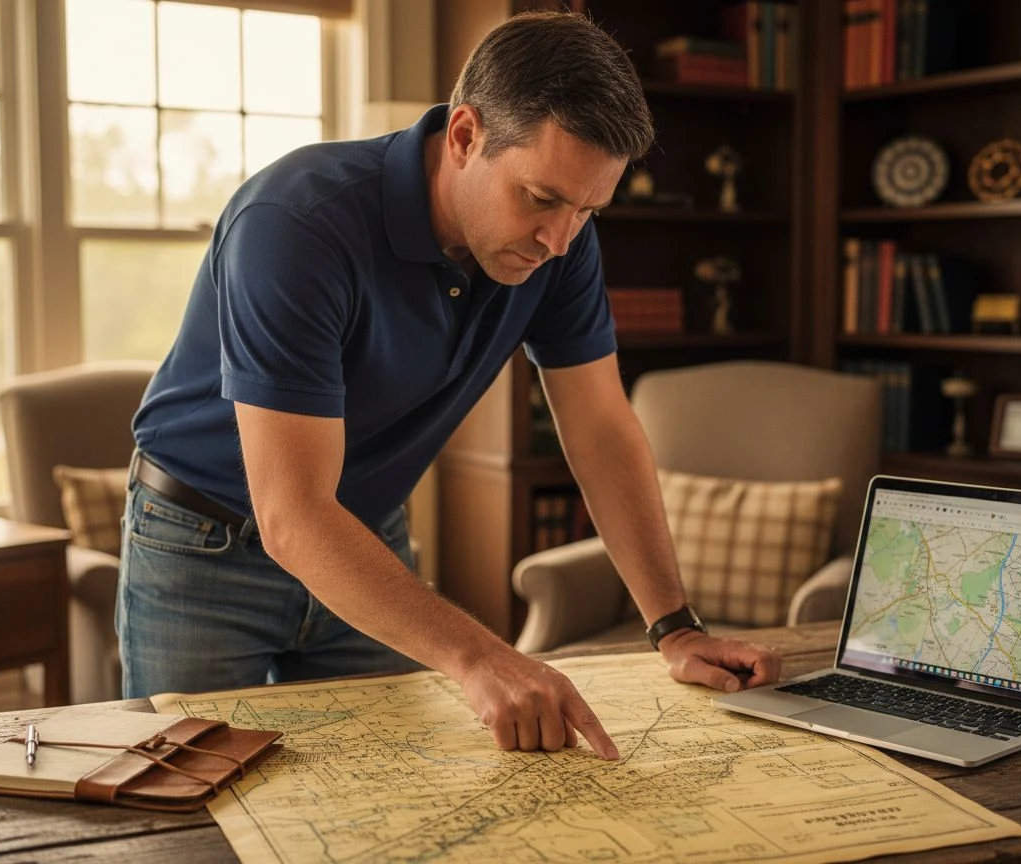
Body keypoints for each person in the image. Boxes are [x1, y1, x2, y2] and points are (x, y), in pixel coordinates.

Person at [118, 10, 782, 760]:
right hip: (205, 543)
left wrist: (675, 628)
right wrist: (480, 655)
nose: (559, 240)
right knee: (194, 805)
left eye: (587, 209)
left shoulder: (559, 241)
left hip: (366, 537)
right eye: (540, 198)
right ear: (465, 136)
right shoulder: (295, 222)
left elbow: (599, 428)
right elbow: (293, 514)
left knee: (388, 801)